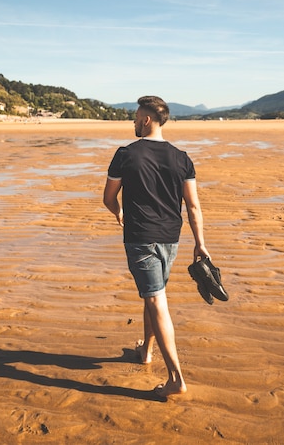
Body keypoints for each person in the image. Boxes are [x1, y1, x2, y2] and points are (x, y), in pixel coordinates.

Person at [103, 95, 210, 398]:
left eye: (136, 116)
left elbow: (108, 198)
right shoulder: (182, 157)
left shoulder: (126, 154)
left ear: (147, 119)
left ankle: (176, 378)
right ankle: (146, 351)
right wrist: (200, 244)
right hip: (171, 239)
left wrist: (119, 212)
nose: (134, 121)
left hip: (140, 238)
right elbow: (193, 207)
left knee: (156, 300)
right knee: (154, 294)